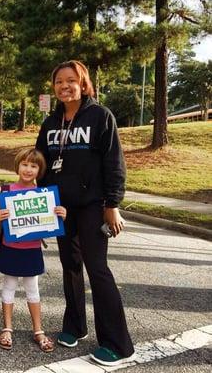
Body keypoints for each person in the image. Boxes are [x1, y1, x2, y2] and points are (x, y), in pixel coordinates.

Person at [35, 60, 135, 366]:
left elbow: (114, 163)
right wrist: (33, 205)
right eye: (58, 82)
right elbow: (40, 162)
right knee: (70, 266)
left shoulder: (100, 116)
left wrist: (112, 205)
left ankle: (118, 344)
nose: (64, 86)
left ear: (83, 83)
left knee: (97, 269)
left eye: (70, 81)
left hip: (92, 205)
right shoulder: (51, 123)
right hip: (61, 208)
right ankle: (75, 326)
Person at [0, 148, 66, 352]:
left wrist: (61, 213)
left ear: (39, 170)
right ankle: (7, 328)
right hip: (11, 247)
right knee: (9, 287)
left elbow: (52, 222)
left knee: (32, 290)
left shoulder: (44, 195)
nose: (28, 169)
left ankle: (38, 330)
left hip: (32, 250)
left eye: (33, 166)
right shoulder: (6, 191)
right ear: (17, 166)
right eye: (25, 164)